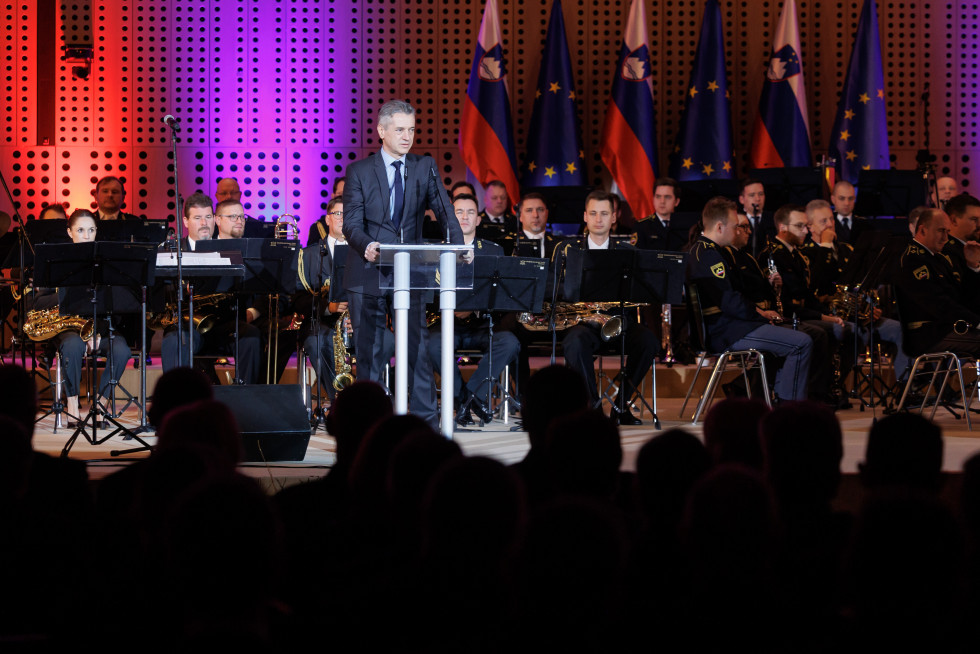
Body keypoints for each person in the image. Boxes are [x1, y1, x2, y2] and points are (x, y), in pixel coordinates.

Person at [341, 99, 463, 425]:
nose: (407, 136)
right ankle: (368, 424)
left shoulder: (424, 167)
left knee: (417, 350)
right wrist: (367, 245)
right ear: (382, 131)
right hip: (367, 270)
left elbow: (444, 211)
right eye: (400, 130)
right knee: (369, 353)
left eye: (411, 129)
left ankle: (426, 422)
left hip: (410, 270)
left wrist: (460, 246)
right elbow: (351, 223)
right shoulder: (359, 171)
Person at [686, 197, 813, 402]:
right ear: (720, 227)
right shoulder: (709, 256)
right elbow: (729, 302)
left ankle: (773, 398)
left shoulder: (705, 251)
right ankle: (790, 407)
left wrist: (762, 314)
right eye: (735, 226)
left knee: (794, 333)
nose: (737, 231)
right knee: (802, 342)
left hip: (728, 326)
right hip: (725, 330)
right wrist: (762, 316)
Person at [551, 190, 659, 424]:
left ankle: (621, 406)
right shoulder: (567, 250)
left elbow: (637, 294)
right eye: (593, 213)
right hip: (583, 324)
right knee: (573, 343)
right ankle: (593, 407)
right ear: (585, 217)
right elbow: (554, 290)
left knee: (648, 341)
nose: (598, 219)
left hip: (619, 322)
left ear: (614, 218)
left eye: (604, 213)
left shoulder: (628, 252)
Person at [424, 193, 521, 427]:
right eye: (459, 212)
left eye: (470, 212)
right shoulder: (434, 251)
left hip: (482, 325)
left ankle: (468, 399)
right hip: (446, 323)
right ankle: (467, 401)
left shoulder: (494, 251)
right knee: (433, 345)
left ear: (478, 220)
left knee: (509, 343)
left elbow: (500, 295)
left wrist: (474, 307)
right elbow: (428, 295)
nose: (465, 217)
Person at [31, 210, 131, 423]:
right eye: (81, 230)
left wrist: (98, 333)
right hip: (68, 330)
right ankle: (73, 404)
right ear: (69, 232)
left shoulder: (106, 263)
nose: (87, 236)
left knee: (122, 350)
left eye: (91, 230)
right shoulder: (56, 262)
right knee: (74, 346)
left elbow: (118, 306)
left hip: (100, 328)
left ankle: (100, 405)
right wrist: (65, 295)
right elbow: (39, 302)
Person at [160, 193, 262, 383]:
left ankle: (246, 399)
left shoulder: (229, 250)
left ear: (215, 219)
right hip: (187, 325)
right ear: (186, 221)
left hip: (221, 324)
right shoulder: (172, 251)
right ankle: (175, 403)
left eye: (208, 217)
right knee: (174, 341)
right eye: (197, 218)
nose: (204, 223)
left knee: (251, 335)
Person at [896, 208, 980, 358]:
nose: (946, 238)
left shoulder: (938, 258)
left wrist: (972, 266)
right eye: (941, 231)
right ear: (923, 230)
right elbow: (939, 304)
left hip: (945, 329)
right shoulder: (912, 260)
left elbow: (960, 297)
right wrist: (977, 323)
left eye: (947, 232)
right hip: (927, 335)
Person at [635, 177, 685, 251]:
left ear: (676, 201)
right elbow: (636, 255)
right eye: (658, 196)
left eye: (667, 197)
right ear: (653, 199)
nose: (662, 201)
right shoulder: (641, 226)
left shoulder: (685, 226)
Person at [505, 192, 560, 258]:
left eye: (540, 210)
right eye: (529, 210)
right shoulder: (506, 243)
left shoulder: (560, 244)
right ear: (520, 216)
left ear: (547, 213)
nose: (535, 215)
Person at [738, 178, 775, 259]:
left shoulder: (773, 218)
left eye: (761, 194)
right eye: (752, 195)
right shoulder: (736, 220)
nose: (757, 199)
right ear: (741, 199)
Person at [308, 178, 348, 245]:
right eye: (340, 194)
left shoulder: (364, 225)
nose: (343, 198)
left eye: (348, 195)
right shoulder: (319, 227)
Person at [831, 180, 868, 245]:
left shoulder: (864, 224)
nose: (847, 203)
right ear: (833, 199)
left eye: (850, 199)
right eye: (842, 198)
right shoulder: (827, 224)